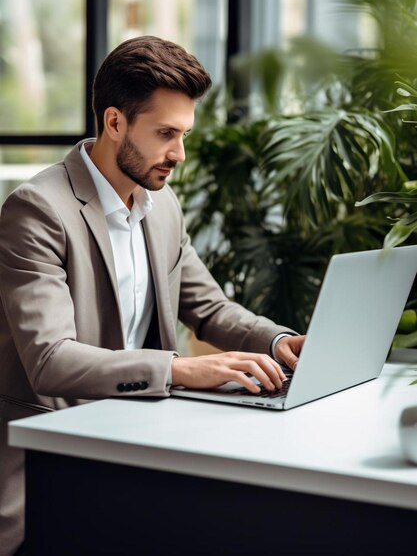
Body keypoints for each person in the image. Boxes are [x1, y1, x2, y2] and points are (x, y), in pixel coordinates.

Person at [0, 35, 304, 555]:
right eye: (166, 133)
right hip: (50, 460)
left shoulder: (160, 205)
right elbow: (50, 361)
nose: (179, 154)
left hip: (140, 439)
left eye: (184, 134)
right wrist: (179, 369)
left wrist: (279, 341)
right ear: (114, 122)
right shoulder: (37, 210)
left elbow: (207, 306)